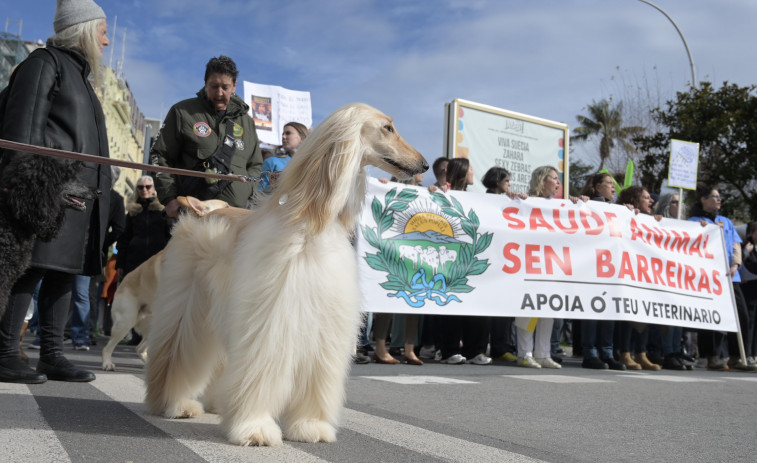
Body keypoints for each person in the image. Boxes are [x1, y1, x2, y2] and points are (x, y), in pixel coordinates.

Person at [0, 0, 112, 383]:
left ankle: (52, 354)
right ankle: (4, 352)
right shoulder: (43, 63)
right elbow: (22, 128)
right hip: (47, 190)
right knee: (29, 270)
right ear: (83, 30)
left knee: (64, 273)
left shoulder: (81, 77)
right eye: (103, 32)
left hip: (78, 196)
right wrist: (24, 186)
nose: (107, 41)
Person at [150, 55, 263, 216]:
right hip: (194, 214)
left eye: (225, 87)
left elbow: (256, 166)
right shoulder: (182, 112)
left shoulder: (247, 122)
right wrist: (169, 198)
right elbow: (159, 155)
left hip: (236, 216)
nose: (219, 92)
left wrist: (246, 189)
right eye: (214, 86)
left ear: (234, 86)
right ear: (205, 84)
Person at [688, 184, 756, 371]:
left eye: (720, 197)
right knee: (709, 315)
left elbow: (735, 244)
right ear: (703, 199)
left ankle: (738, 355)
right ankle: (709, 356)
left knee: (741, 314)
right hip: (707, 277)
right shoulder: (694, 221)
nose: (719, 200)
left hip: (728, 276)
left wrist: (735, 264)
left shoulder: (726, 221)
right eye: (714, 196)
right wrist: (704, 230)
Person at [436, 158, 491, 365]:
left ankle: (475, 350)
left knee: (477, 305)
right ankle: (449, 350)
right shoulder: (443, 193)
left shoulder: (475, 199)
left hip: (471, 258)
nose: (473, 172)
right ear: (461, 171)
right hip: (450, 257)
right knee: (452, 304)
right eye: (470, 168)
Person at [514, 166, 564, 369]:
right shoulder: (526, 202)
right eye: (554, 179)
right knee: (529, 309)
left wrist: (581, 204)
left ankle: (543, 353)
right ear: (542, 181)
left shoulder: (561, 206)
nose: (558, 183)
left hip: (552, 264)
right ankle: (524, 353)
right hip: (531, 263)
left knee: (548, 308)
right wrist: (515, 199)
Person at [578, 173, 625, 370]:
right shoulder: (586, 205)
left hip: (611, 268)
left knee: (609, 312)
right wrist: (579, 202)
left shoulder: (617, 210)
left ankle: (607, 352)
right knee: (593, 312)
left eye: (614, 184)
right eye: (608, 184)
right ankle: (590, 353)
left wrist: (629, 212)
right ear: (597, 187)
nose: (613, 187)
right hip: (592, 266)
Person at [614, 186, 660, 371]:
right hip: (626, 271)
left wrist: (657, 223)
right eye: (646, 198)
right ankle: (624, 352)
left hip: (643, 273)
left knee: (643, 313)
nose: (651, 201)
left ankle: (641, 353)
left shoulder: (649, 220)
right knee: (628, 314)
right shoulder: (621, 214)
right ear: (634, 200)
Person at [481, 167, 518, 362]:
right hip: (489, 261)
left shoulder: (509, 201)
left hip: (506, 262)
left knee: (504, 308)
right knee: (487, 309)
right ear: (497, 181)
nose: (509, 184)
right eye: (507, 180)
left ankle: (501, 347)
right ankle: (482, 347)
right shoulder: (483, 201)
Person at [258, 122, 308, 192]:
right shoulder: (272, 162)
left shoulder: (312, 162)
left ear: (302, 138)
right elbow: (260, 190)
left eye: (288, 133)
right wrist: (272, 187)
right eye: (283, 134)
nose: (283, 137)